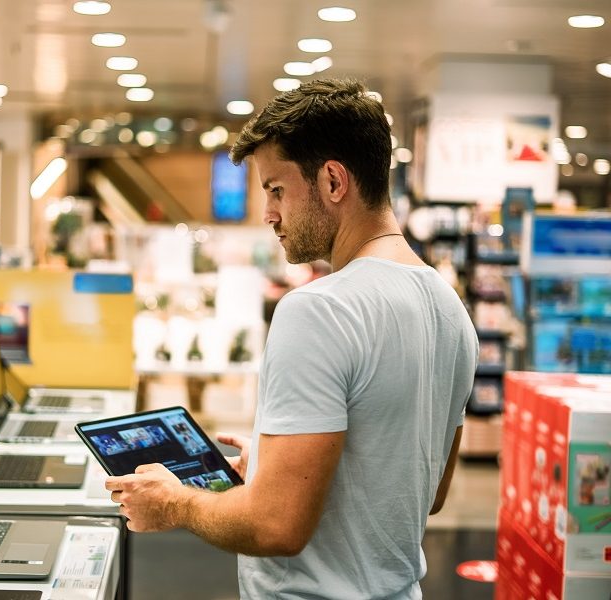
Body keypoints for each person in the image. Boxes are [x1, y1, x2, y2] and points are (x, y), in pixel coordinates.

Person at [105, 78, 479, 599]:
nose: (268, 215)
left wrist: (174, 501)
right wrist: (282, 466)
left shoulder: (319, 309)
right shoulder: (449, 310)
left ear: (332, 181)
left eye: (277, 189)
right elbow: (424, 491)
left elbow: (275, 526)